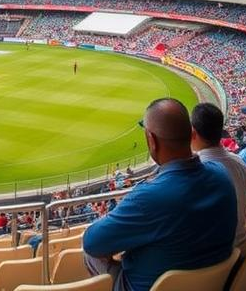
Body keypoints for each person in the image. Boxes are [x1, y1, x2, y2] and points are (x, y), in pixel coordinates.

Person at [83, 98, 236, 291]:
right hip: (213, 283)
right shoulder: (222, 175)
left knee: (91, 252)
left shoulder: (148, 198)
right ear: (191, 134)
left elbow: (91, 243)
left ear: (151, 140)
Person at [191, 103, 246, 252]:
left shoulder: (194, 171)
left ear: (193, 133)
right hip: (242, 245)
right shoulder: (239, 162)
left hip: (218, 255)